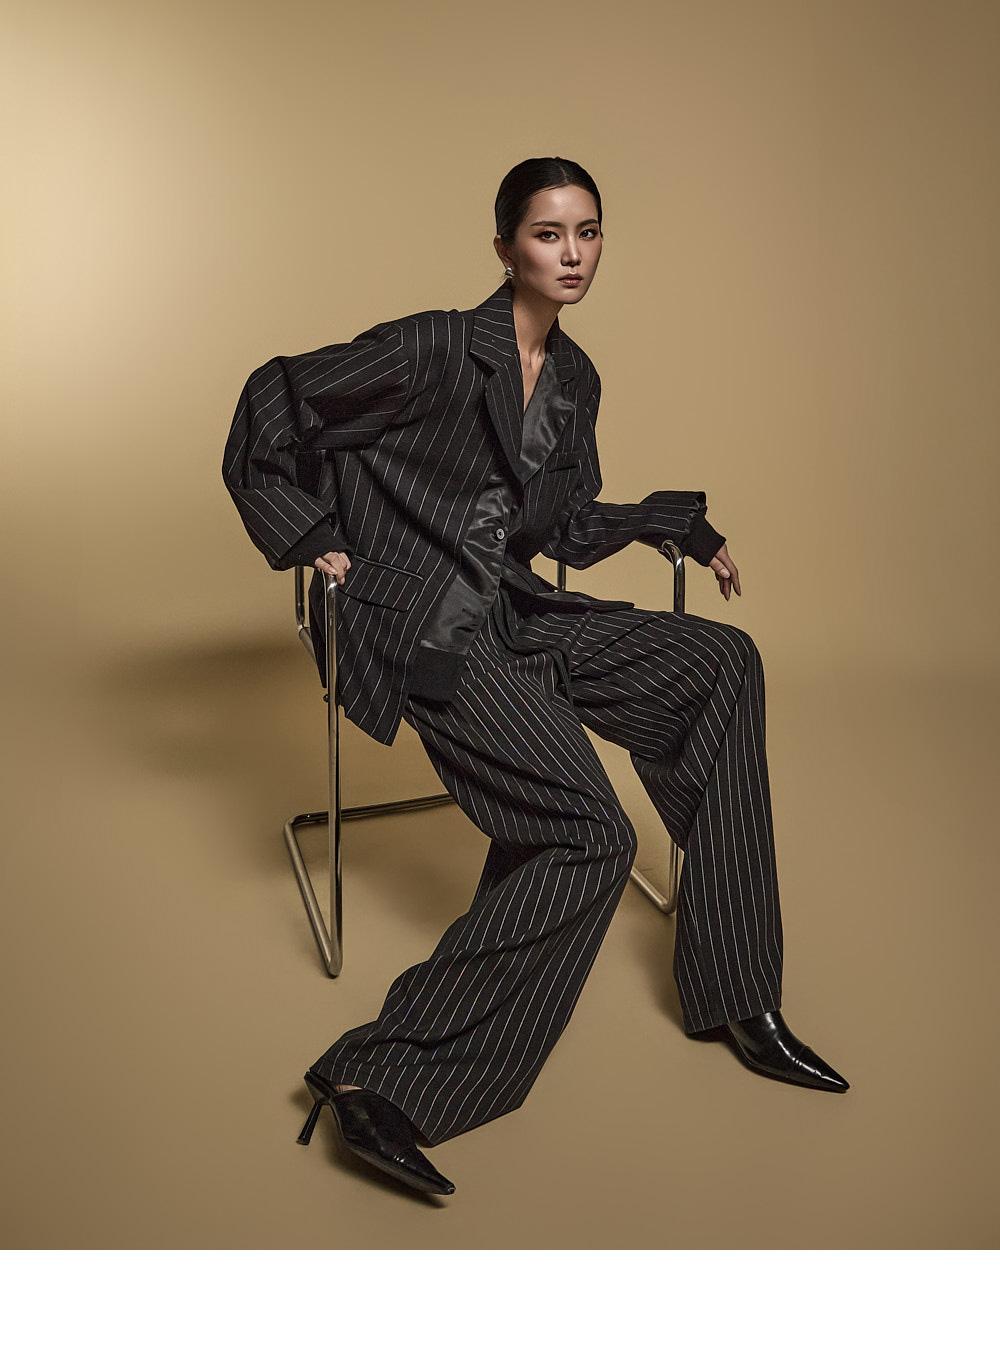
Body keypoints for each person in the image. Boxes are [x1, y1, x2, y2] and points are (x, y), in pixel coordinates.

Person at [223, 156, 849, 1199]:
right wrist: (308, 533)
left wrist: (672, 524)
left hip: (513, 612)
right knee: (591, 833)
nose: (572, 255)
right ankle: (380, 1078)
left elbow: (558, 528)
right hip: (423, 627)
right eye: (549, 234)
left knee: (721, 662)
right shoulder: (431, 347)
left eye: (588, 233)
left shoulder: (574, 379)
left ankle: (738, 989)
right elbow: (268, 402)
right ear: (505, 246)